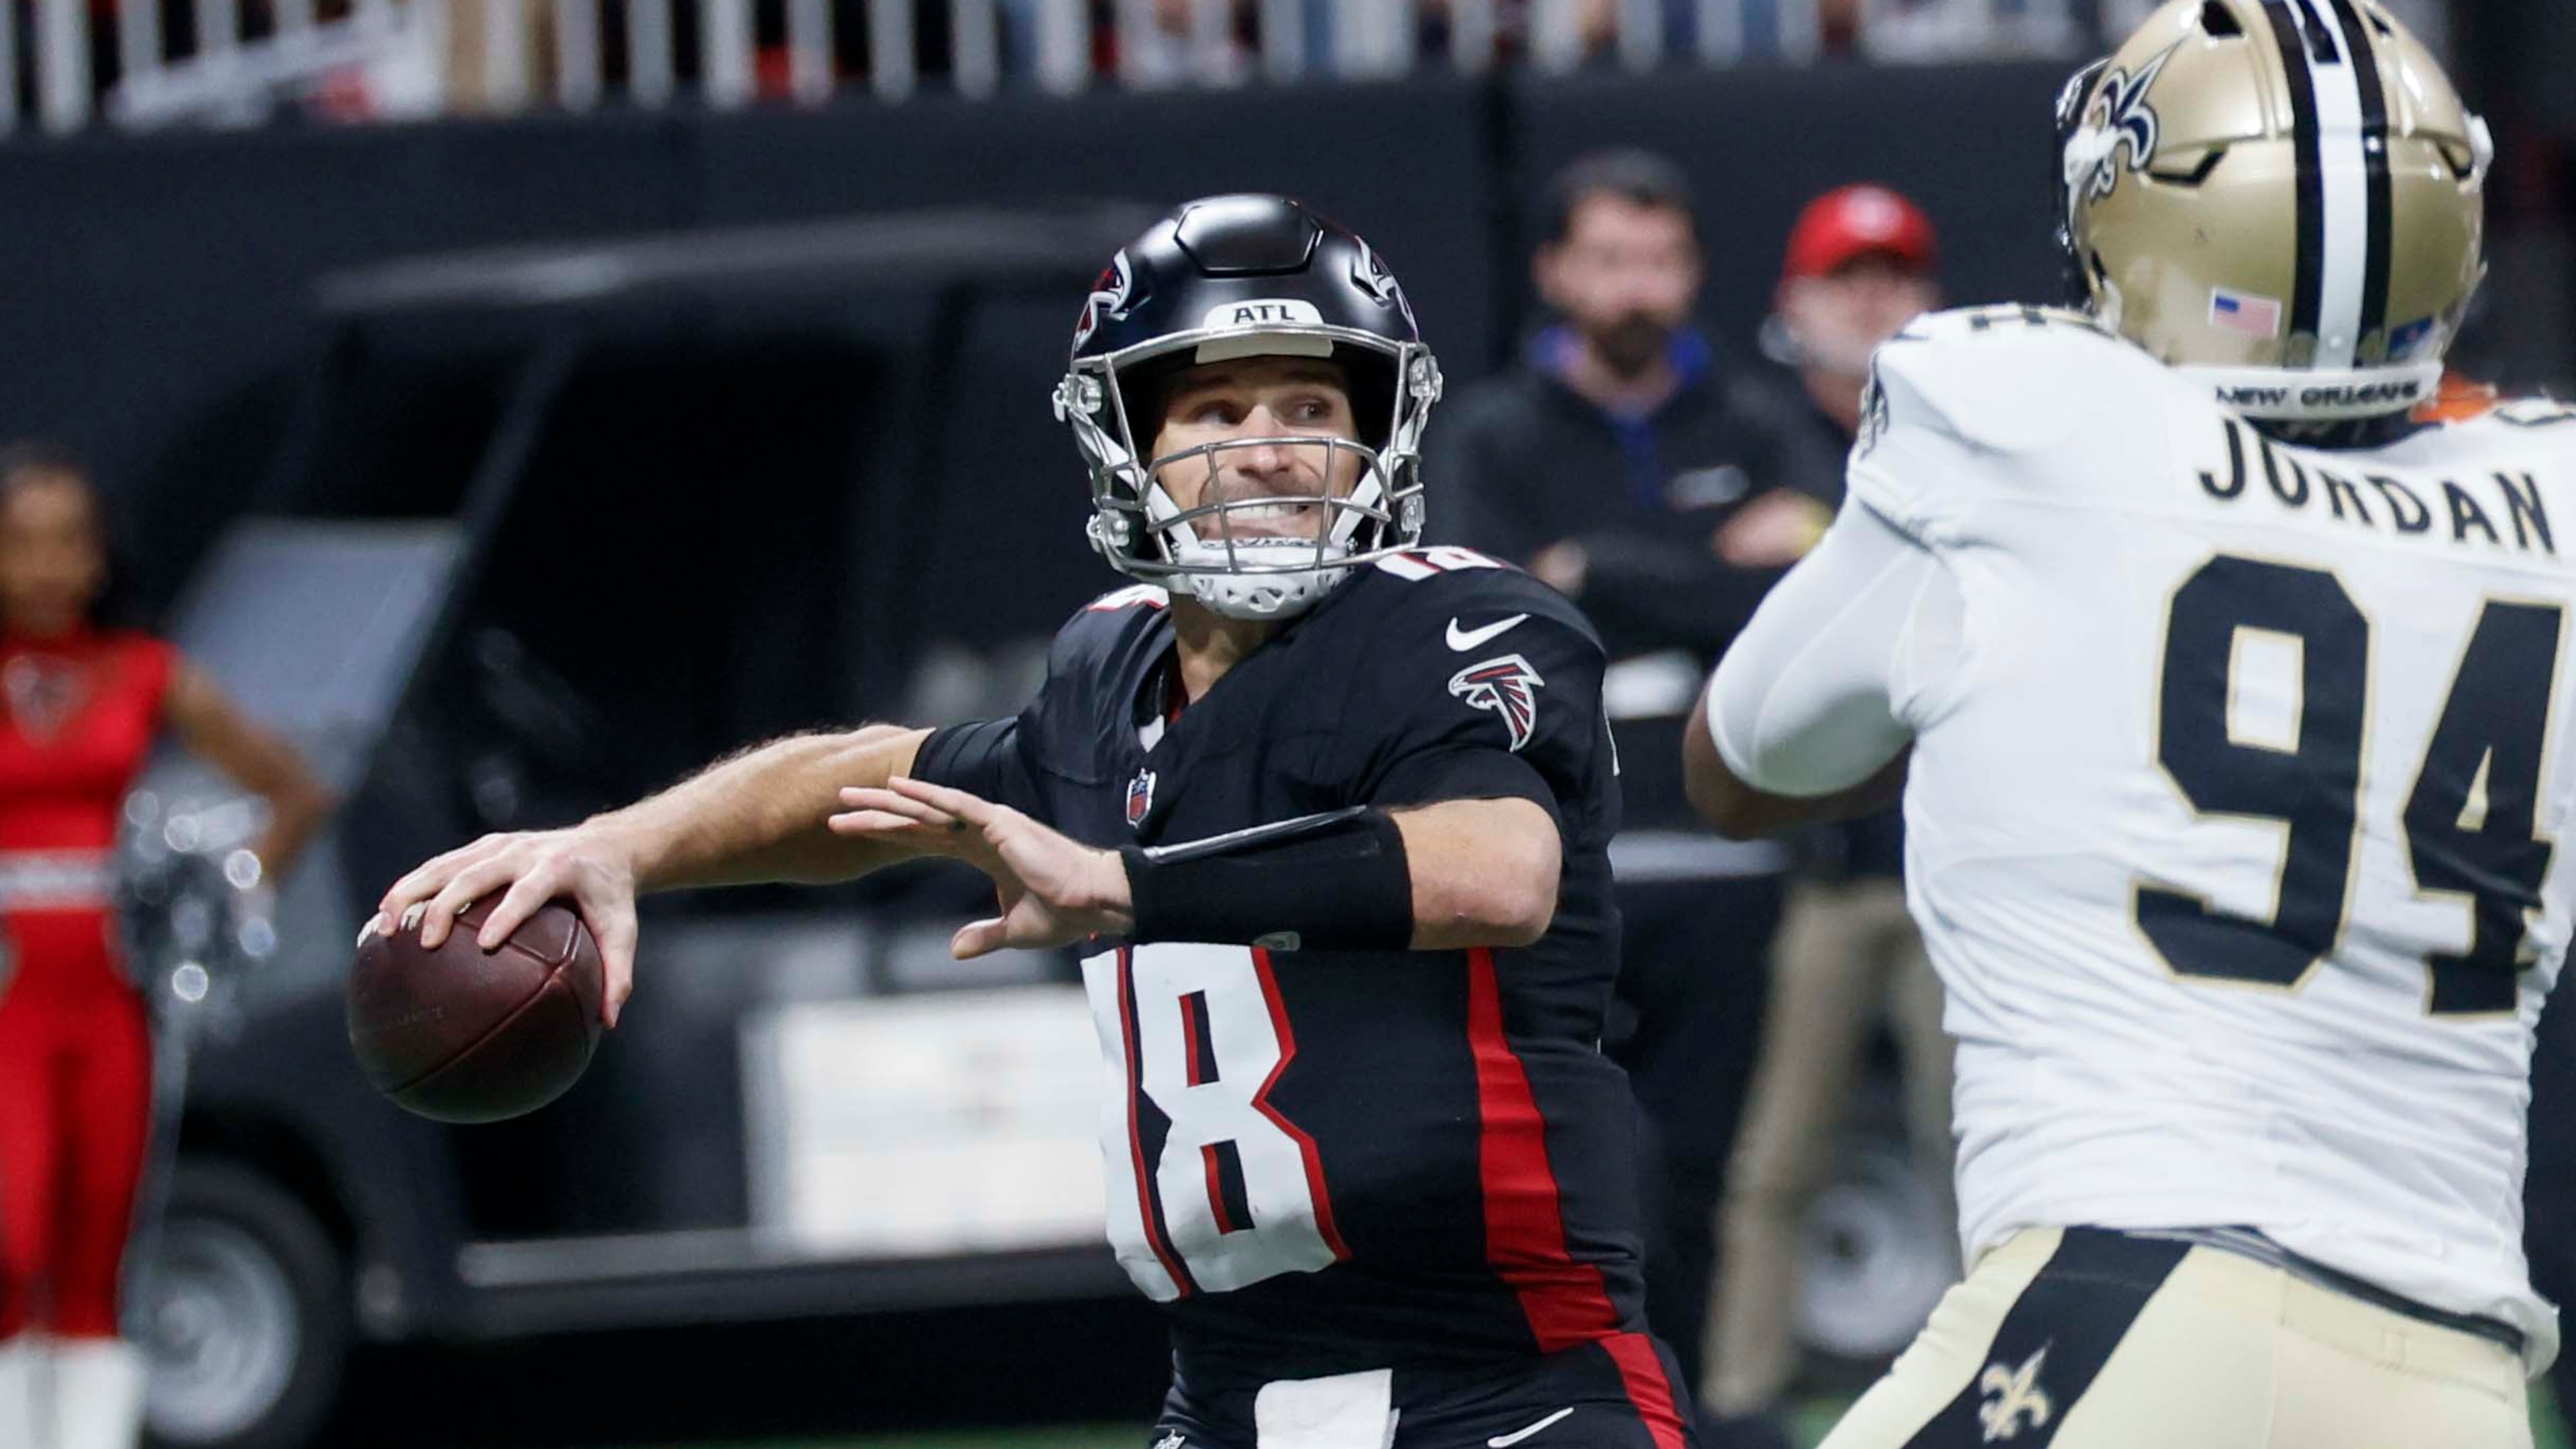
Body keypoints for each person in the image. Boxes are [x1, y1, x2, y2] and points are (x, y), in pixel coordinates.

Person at [373, 194, 1697, 1449]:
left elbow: (1497, 869)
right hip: (1229, 1400)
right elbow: (866, 781)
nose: (1269, 448)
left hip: (1507, 1387)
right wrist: (618, 847)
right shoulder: (1105, 680)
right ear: (1129, 444)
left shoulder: (1453, 625)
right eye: (1215, 409)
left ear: (1383, 430)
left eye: (1311, 404)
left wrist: (1134, 887)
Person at [1686, 1, 2550, 1442]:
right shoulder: (2549, 500)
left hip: (2137, 1290)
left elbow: (1742, 763)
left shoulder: (2020, 422)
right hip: (2460, 1368)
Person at [1428, 149, 1841, 1382]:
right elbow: (1489, 621)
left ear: (1695, 270)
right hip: (1561, 870)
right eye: (1609, 259)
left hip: (1735, 861)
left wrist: (1596, 569)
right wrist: (1704, 570)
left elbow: (1815, 605)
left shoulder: (1758, 423)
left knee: (1723, 1169)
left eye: (1658, 260)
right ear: (1555, 271)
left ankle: (1701, 1406)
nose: (1635, 288)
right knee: (1573, 1174)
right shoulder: (1491, 436)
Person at [0, 443, 333, 1449]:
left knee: (99, 1243)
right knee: (12, 1237)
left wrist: (225, 905)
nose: (47, 566)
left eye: (69, 541)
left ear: (101, 553)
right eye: (21, 542)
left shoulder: (144, 672)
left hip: (109, 997)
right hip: (8, 1001)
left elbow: (295, 791)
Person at [1699, 183, 1953, 1439]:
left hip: (1955, 870)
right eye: (1848, 279)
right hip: (1827, 865)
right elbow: (1699, 586)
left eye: (1893, 276)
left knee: (1983, 1154)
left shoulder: (1963, 439)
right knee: (1776, 1161)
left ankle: (2005, 1389)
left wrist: (1813, 539)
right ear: (1795, 303)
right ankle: (1741, 1403)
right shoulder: (1755, 433)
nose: (1872, 301)